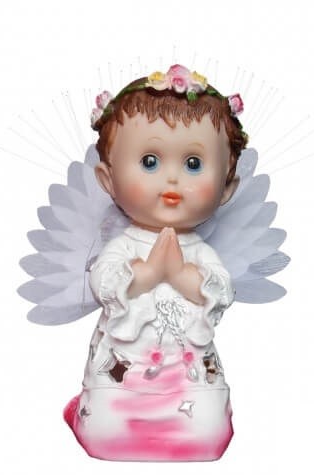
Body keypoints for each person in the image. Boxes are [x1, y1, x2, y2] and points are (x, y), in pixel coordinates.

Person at [63, 64, 249, 461]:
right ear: (108, 180)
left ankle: (194, 429)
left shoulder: (199, 252)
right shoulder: (123, 246)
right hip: (124, 372)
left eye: (193, 164)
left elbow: (222, 291)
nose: (172, 180)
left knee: (208, 427)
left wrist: (181, 275)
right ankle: (102, 421)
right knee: (105, 426)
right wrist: (146, 274)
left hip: (188, 376)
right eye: (150, 161)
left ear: (226, 188)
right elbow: (103, 281)